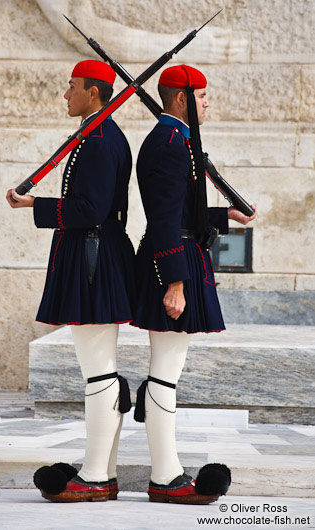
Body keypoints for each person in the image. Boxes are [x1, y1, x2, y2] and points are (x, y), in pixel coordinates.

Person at [6, 60, 136, 502]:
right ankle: (105, 472)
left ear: (94, 93)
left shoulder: (100, 141)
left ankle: (96, 476)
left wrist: (33, 205)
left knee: (98, 374)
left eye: (72, 87)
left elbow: (90, 211)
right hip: (90, 256)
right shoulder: (93, 134)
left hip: (93, 259)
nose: (65, 95)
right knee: (101, 373)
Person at [131, 64, 257, 504]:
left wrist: (227, 216)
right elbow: (164, 219)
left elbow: (184, 212)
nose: (208, 104)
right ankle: (165, 478)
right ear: (181, 100)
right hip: (175, 262)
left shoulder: (177, 141)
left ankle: (166, 473)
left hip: (181, 255)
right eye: (202, 97)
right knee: (165, 376)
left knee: (167, 373)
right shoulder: (169, 144)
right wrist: (176, 283)